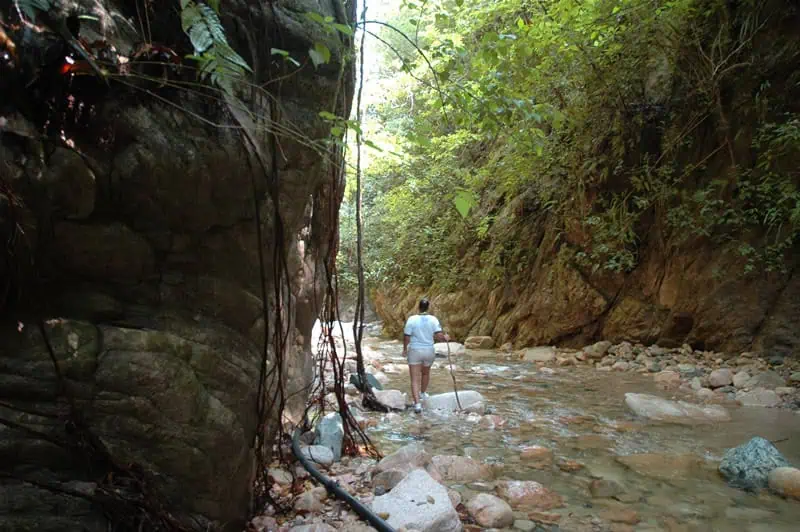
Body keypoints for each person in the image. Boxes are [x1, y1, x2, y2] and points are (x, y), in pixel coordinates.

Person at [402, 297, 449, 413]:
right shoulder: (433, 319)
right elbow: (438, 336)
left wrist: (404, 349)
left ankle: (417, 405)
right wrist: (445, 338)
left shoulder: (411, 319)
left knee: (414, 379)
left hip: (415, 350)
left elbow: (407, 336)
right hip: (429, 351)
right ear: (428, 307)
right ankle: (423, 393)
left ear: (418, 307)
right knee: (426, 373)